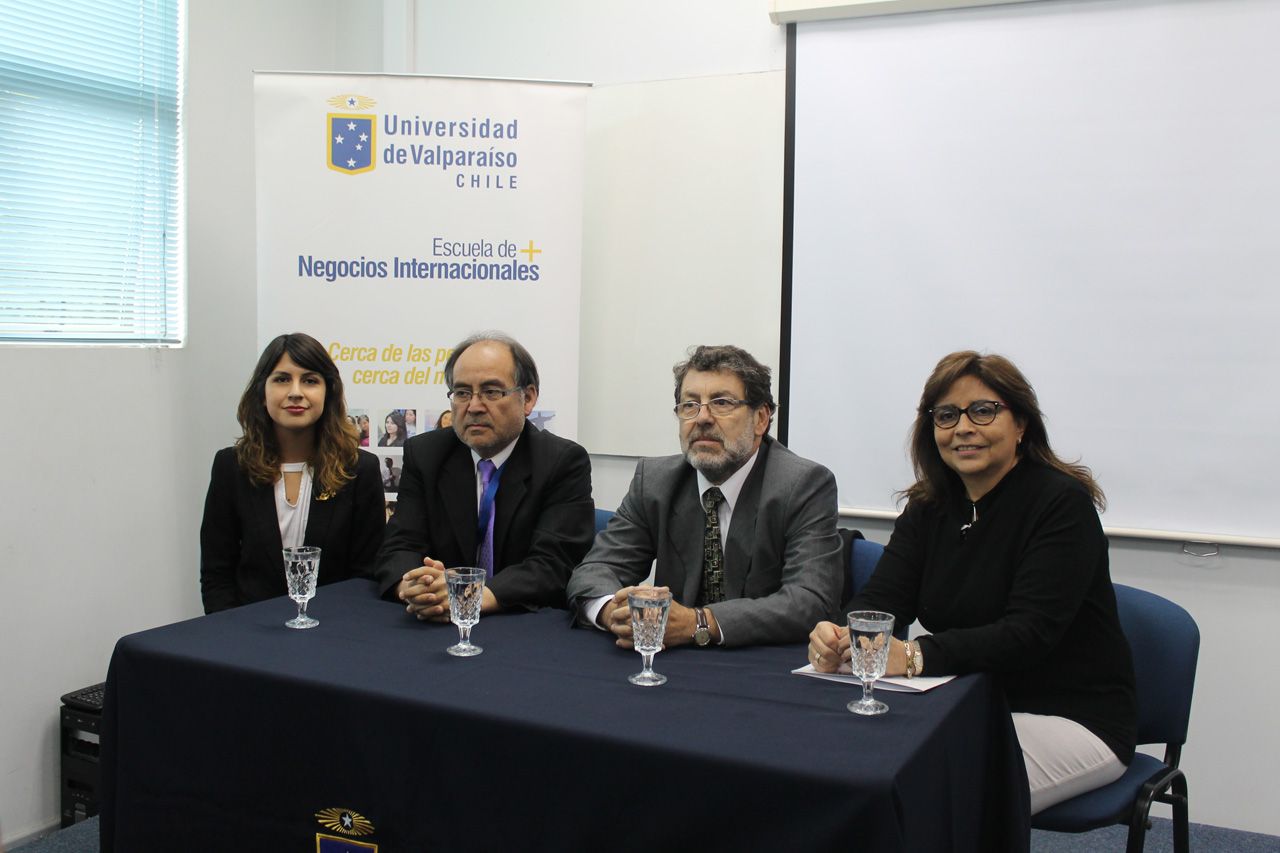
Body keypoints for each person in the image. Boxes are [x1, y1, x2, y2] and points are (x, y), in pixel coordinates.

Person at [807, 351, 1137, 815]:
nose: (963, 427)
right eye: (946, 415)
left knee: (922, 797)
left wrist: (915, 656)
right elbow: (884, 599)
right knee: (847, 761)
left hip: (1071, 716)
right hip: (966, 703)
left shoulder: (1061, 505)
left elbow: (1028, 633)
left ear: (1021, 424)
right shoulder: (929, 506)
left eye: (983, 411)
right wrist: (843, 635)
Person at [566, 345, 842, 648]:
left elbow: (810, 600)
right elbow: (595, 570)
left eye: (721, 403)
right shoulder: (655, 481)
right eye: (690, 405)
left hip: (759, 660)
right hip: (672, 660)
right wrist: (614, 613)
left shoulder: (802, 485)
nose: (702, 418)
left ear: (761, 419)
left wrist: (698, 622)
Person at [375, 332, 594, 616]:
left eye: (491, 392)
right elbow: (400, 544)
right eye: (462, 393)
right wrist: (416, 587)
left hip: (519, 621)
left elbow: (554, 564)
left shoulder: (561, 462)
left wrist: (471, 596)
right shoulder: (426, 454)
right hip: (432, 618)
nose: (474, 407)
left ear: (528, 398)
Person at [200, 333, 385, 613]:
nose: (296, 392)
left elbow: (366, 575)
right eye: (282, 379)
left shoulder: (359, 470)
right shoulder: (232, 466)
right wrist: (231, 631)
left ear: (328, 393)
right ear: (262, 393)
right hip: (248, 629)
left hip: (335, 627)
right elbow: (217, 574)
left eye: (310, 380)